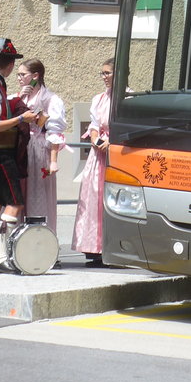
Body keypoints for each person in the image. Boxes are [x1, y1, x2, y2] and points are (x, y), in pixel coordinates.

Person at [0, 37, 36, 273]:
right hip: (0, 152)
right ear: (10, 64)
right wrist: (20, 119)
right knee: (14, 203)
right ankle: (5, 258)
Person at [15, 59, 67, 234]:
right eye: (18, 74)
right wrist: (20, 98)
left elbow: (54, 132)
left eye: (23, 74)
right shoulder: (18, 97)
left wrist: (53, 161)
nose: (19, 78)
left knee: (38, 196)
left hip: (38, 150)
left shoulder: (50, 99)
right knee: (17, 196)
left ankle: (40, 240)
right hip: (20, 149)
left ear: (35, 76)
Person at [72, 58, 113, 267]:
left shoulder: (128, 98)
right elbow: (95, 124)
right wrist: (96, 138)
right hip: (98, 155)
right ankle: (93, 248)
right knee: (93, 199)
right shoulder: (98, 99)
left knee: (110, 200)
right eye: (102, 73)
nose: (104, 77)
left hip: (115, 154)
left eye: (107, 73)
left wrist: (110, 140)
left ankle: (111, 248)